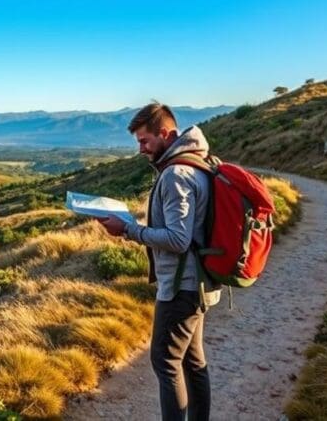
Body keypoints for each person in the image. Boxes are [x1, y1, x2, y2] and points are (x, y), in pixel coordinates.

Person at [98, 103, 219, 421]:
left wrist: (127, 229)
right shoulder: (197, 163)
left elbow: (178, 240)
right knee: (193, 361)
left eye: (144, 141)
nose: (140, 149)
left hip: (182, 286)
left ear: (165, 134)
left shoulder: (175, 175)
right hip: (200, 281)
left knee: (165, 363)